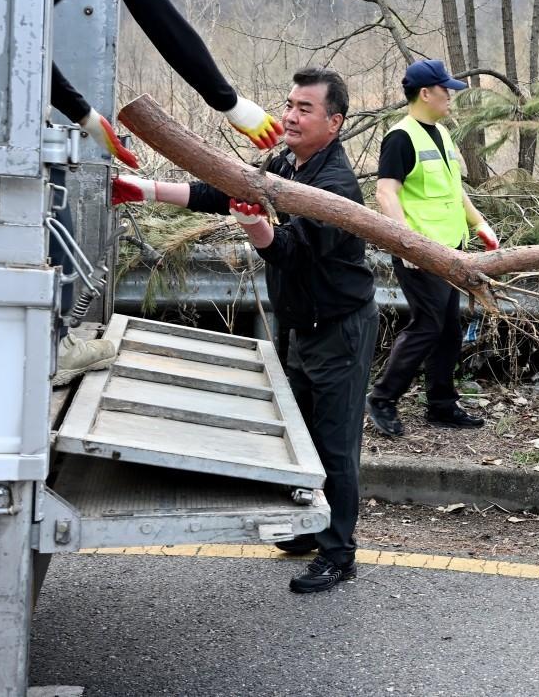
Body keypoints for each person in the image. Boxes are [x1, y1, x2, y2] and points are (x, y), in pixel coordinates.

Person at [112, 68, 378, 594]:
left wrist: (253, 221)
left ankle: (339, 553)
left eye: (305, 109)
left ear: (335, 122)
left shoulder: (335, 186)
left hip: (340, 331)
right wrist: (143, 189)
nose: (290, 116)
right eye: (289, 104)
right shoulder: (285, 163)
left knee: (334, 443)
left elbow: (290, 249)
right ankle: (309, 531)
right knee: (300, 434)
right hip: (301, 325)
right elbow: (224, 191)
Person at [50, 0, 282, 383]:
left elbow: (14, 35)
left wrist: (83, 114)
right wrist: (230, 102)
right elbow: (157, 13)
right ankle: (53, 346)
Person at [365, 59, 498, 438]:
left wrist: (479, 224)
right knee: (428, 325)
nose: (451, 97)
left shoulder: (440, 133)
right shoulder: (400, 137)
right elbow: (384, 192)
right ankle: (383, 399)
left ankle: (441, 404)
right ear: (426, 94)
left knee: (450, 330)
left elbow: (454, 189)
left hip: (451, 249)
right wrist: (406, 242)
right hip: (420, 252)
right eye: (446, 91)